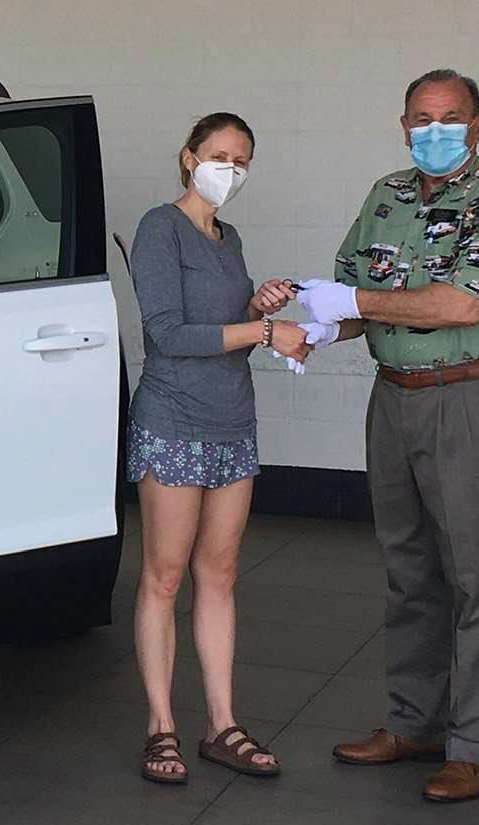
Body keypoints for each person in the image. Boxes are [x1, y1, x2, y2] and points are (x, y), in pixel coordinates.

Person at [294, 69, 479, 803]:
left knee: (473, 579)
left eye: (450, 118)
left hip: (470, 398)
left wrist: (354, 301)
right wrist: (314, 329)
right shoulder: (386, 196)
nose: (435, 131)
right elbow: (351, 300)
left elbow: (461, 306)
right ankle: (414, 723)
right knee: (408, 572)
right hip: (394, 398)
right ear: (403, 125)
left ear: (477, 124)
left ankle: (476, 745)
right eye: (422, 119)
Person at [128, 112, 307, 784]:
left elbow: (226, 334)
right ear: (189, 157)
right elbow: (168, 334)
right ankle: (161, 727)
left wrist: (258, 310)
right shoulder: (159, 227)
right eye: (219, 156)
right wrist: (263, 333)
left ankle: (221, 724)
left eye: (241, 160)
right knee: (164, 576)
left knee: (220, 574)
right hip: (173, 420)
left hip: (232, 422)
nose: (229, 169)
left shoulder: (229, 239)